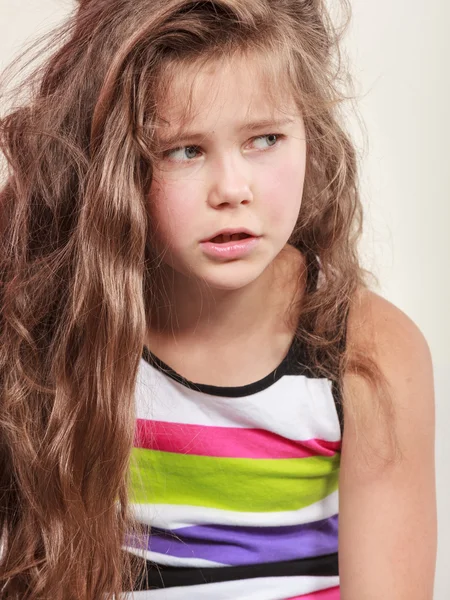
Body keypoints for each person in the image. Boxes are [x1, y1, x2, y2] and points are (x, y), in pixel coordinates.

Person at [0, 0, 437, 598]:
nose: (232, 189)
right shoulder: (66, 332)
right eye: (185, 150)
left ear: (313, 135)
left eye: (265, 138)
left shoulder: (369, 354)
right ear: (117, 168)